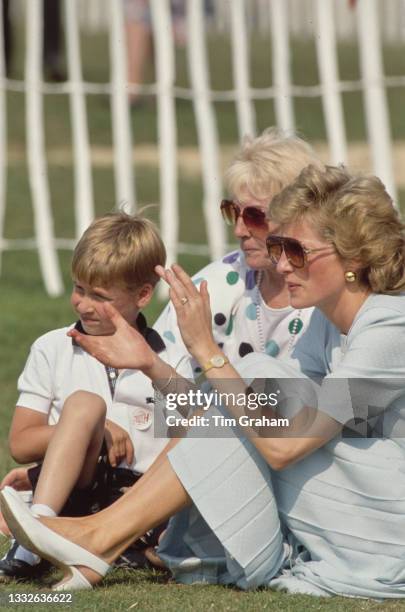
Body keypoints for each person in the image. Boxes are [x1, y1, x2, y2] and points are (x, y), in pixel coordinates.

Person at [3, 164, 405, 599]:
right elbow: (230, 427)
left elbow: (284, 445)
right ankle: (102, 538)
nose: (280, 262)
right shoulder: (326, 325)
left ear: (355, 257)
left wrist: (207, 353)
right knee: (251, 388)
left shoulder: (391, 329)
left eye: (296, 250)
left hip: (384, 530)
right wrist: (152, 366)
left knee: (252, 378)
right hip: (349, 503)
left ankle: (99, 536)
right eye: (277, 246)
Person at [0, 212, 192, 588]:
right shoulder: (53, 347)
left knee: (193, 426)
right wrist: (96, 428)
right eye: (79, 289)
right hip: (72, 494)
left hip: (135, 506)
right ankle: (36, 535)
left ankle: (70, 538)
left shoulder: (169, 358)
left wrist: (153, 368)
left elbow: (192, 439)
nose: (83, 305)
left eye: (99, 296)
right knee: (85, 404)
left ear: (142, 295)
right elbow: (21, 443)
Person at [155, 127, 324, 375]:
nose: (239, 230)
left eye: (255, 216)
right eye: (233, 211)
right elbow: (156, 379)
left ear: (300, 214)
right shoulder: (217, 283)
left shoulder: (331, 297)